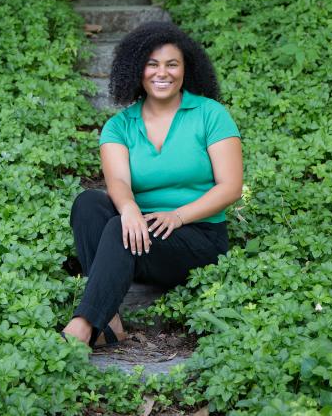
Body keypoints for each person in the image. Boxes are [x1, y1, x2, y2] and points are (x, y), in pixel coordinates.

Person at [61, 21, 243, 347]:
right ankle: (110, 320)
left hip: (196, 238)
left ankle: (83, 326)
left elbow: (230, 187)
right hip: (139, 237)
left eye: (172, 64)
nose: (163, 73)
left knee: (118, 228)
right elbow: (116, 179)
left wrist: (178, 216)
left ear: (187, 69)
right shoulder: (120, 125)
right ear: (137, 70)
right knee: (88, 203)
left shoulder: (210, 114)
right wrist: (130, 209)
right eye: (152, 64)